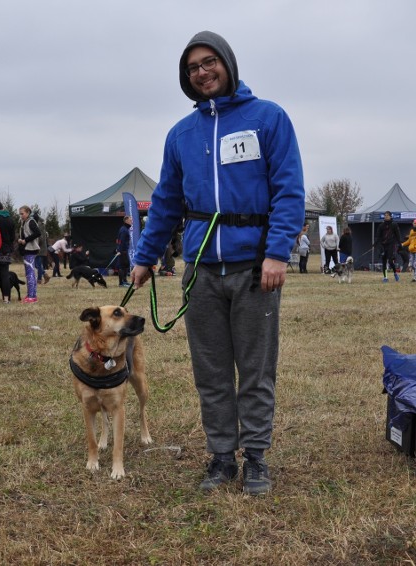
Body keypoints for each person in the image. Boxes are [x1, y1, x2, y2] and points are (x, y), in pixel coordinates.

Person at [129, 31, 305, 496]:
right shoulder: (180, 135)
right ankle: (222, 457)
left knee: (255, 370)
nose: (202, 72)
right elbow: (166, 201)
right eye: (192, 68)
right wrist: (145, 257)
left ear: (227, 63)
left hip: (255, 272)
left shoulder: (269, 118)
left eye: (210, 62)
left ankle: (257, 458)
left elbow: (289, 190)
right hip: (202, 273)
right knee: (209, 371)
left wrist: (276, 253)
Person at [17, 205, 40, 303]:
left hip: (30, 249)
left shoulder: (31, 222)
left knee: (30, 274)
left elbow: (37, 233)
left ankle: (31, 296)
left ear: (28, 213)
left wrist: (25, 240)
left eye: (22, 213)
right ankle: (31, 294)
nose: (21, 216)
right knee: (29, 273)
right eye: (20, 214)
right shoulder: (24, 222)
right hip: (27, 249)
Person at [376, 211, 401, 282]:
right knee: (384, 261)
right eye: (385, 215)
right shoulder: (381, 225)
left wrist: (399, 244)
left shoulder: (394, 225)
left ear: (390, 216)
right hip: (383, 245)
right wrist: (376, 244)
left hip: (391, 245)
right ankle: (385, 277)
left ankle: (395, 273)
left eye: (387, 215)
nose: (386, 216)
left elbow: (398, 235)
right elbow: (378, 236)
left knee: (390, 261)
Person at [116, 215, 132, 287]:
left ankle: (125, 281)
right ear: (126, 221)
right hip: (122, 251)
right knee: (122, 266)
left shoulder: (125, 229)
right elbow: (120, 241)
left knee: (126, 265)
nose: (131, 221)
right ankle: (121, 283)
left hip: (124, 250)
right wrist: (119, 250)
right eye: (130, 220)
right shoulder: (123, 230)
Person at [34, 214, 50, 284]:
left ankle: (39, 279)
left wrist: (35, 243)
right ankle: (45, 275)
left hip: (40, 248)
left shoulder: (39, 225)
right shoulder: (41, 224)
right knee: (36, 264)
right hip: (39, 247)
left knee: (38, 264)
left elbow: (40, 237)